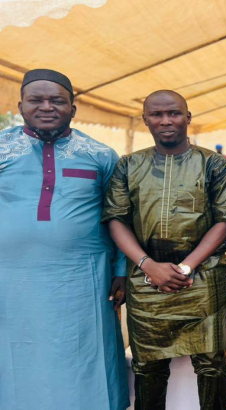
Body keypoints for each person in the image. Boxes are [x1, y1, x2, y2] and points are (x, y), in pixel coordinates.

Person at [0, 69, 129, 410]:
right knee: (13, 352)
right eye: (36, 100)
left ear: (73, 108)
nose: (47, 107)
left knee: (84, 350)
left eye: (57, 100)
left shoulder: (100, 155)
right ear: (20, 106)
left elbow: (118, 216)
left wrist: (121, 269)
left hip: (82, 278)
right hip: (10, 277)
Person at [102, 90, 226, 410]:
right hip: (146, 280)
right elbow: (116, 219)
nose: (166, 121)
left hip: (203, 279)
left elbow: (225, 219)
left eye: (174, 113)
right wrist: (148, 265)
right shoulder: (128, 165)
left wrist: (186, 267)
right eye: (157, 114)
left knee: (211, 366)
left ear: (188, 117)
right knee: (148, 367)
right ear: (145, 119)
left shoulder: (214, 163)